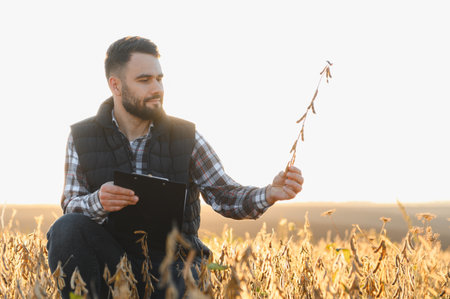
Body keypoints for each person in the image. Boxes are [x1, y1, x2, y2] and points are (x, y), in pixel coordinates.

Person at [46, 36, 304, 299]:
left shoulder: (186, 136)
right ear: (116, 85)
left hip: (176, 262)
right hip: (112, 260)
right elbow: (71, 207)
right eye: (145, 80)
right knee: (65, 228)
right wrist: (98, 201)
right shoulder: (82, 137)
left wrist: (270, 192)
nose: (157, 88)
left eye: (160, 79)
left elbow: (224, 194)